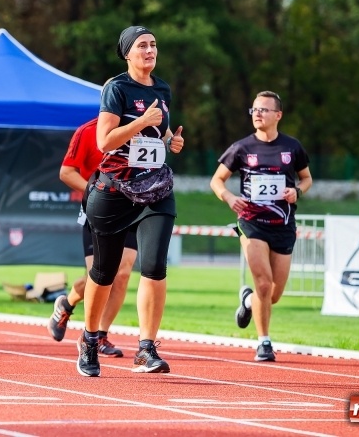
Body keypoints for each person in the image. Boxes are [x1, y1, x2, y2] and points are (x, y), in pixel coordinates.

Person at [76, 25, 184, 377]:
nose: (150, 50)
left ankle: (146, 348)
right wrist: (141, 122)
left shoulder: (163, 88)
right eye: (142, 45)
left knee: (154, 266)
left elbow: (160, 130)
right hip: (114, 192)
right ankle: (90, 339)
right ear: (127, 53)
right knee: (104, 273)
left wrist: (171, 140)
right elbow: (105, 141)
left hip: (155, 190)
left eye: (154, 44)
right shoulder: (116, 88)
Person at [209, 90, 312, 362]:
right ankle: (264, 342)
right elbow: (216, 180)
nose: (257, 114)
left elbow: (307, 179)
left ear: (278, 115)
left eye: (264, 110)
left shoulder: (292, 147)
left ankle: (246, 301)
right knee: (264, 285)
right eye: (254, 110)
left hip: (284, 224)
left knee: (273, 294)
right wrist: (230, 197)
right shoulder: (242, 147)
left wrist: (297, 192)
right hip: (252, 223)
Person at [47, 116, 138, 358]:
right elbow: (66, 172)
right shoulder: (87, 131)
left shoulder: (141, 129)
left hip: (131, 210)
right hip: (98, 210)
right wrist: (97, 192)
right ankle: (67, 304)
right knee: (99, 275)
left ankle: (99, 335)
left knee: (123, 273)